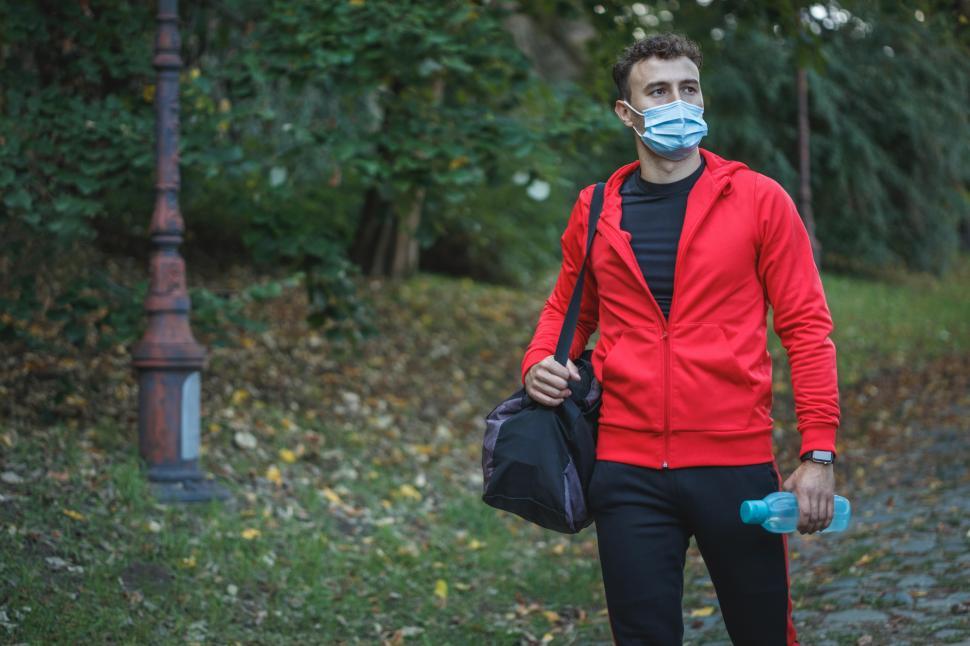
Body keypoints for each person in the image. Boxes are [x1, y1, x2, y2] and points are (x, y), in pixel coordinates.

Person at [520, 33, 840, 646]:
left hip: (735, 466)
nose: (678, 102)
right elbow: (568, 310)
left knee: (764, 633)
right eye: (658, 91)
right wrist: (539, 360)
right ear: (627, 112)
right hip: (625, 468)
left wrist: (818, 452)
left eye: (688, 88)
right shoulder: (594, 209)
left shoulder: (758, 199)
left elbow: (806, 326)